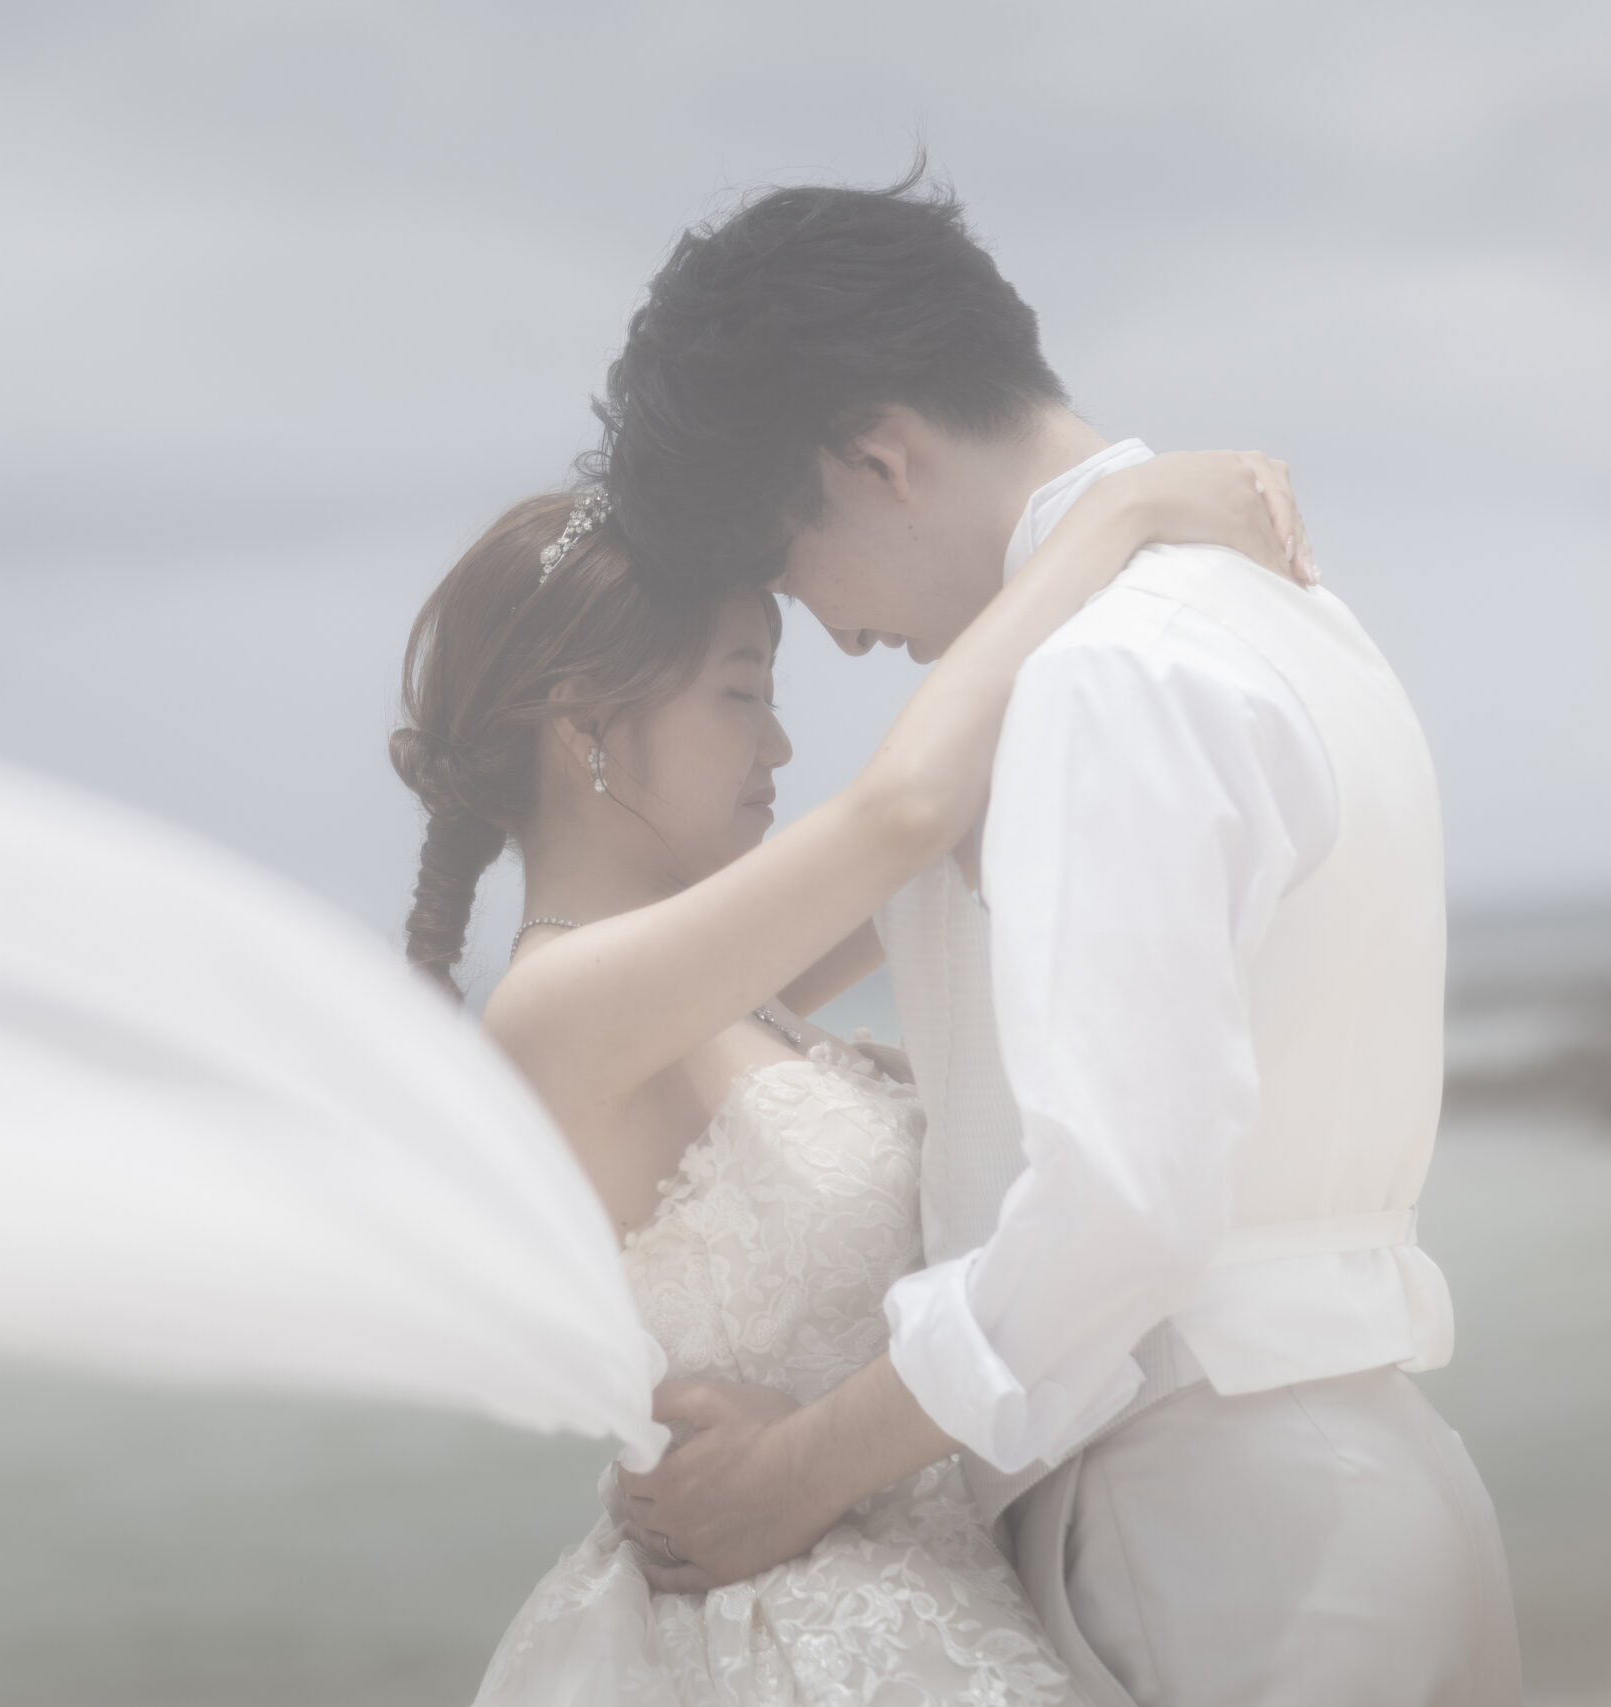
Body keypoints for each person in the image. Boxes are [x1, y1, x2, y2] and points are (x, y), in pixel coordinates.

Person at [595, 172, 1520, 1706]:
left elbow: (1118, 1213)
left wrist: (795, 1470)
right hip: (1360, 1489)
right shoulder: (1289, 613)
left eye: (791, 568)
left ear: (876, 458)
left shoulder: (1106, 678)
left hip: (1217, 1533)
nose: (834, 634)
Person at [390, 450, 1311, 1702]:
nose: (777, 742)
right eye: (739, 692)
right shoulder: (555, 1010)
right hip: (781, 1641)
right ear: (585, 726)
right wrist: (1118, 512)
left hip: (924, 1593)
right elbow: (906, 813)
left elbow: (947, 814)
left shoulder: (725, 988)